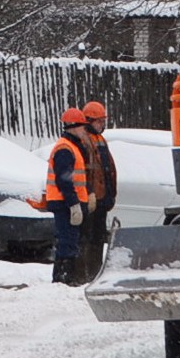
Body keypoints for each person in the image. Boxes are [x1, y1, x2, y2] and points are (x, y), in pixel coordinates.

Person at [43, 108, 92, 285]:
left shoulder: (71, 147)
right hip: (64, 204)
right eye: (82, 127)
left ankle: (65, 278)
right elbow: (64, 180)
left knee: (70, 241)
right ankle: (63, 279)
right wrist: (73, 204)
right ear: (73, 127)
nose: (84, 131)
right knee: (67, 242)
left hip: (67, 203)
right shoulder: (65, 148)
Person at [74, 100, 120, 284]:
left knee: (98, 237)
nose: (102, 124)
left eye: (103, 121)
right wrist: (89, 192)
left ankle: (94, 273)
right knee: (88, 237)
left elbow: (107, 169)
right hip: (92, 198)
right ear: (89, 120)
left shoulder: (100, 140)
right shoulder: (85, 140)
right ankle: (85, 274)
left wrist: (110, 194)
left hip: (102, 198)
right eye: (99, 121)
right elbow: (86, 171)